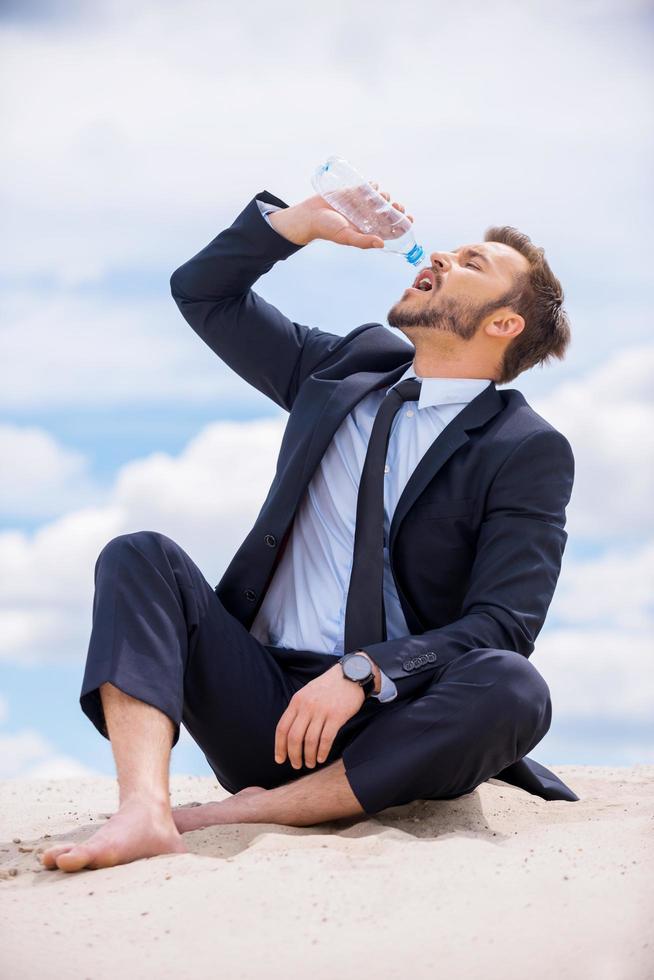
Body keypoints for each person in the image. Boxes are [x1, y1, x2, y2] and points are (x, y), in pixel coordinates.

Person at [40, 180, 576, 874]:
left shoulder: (524, 447)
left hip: (392, 723)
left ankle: (238, 813)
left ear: (505, 324)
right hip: (260, 705)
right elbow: (204, 294)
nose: (443, 255)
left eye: (473, 263)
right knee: (140, 555)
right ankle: (143, 805)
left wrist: (363, 672)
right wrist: (295, 227)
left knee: (516, 687)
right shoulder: (344, 368)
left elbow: (504, 623)